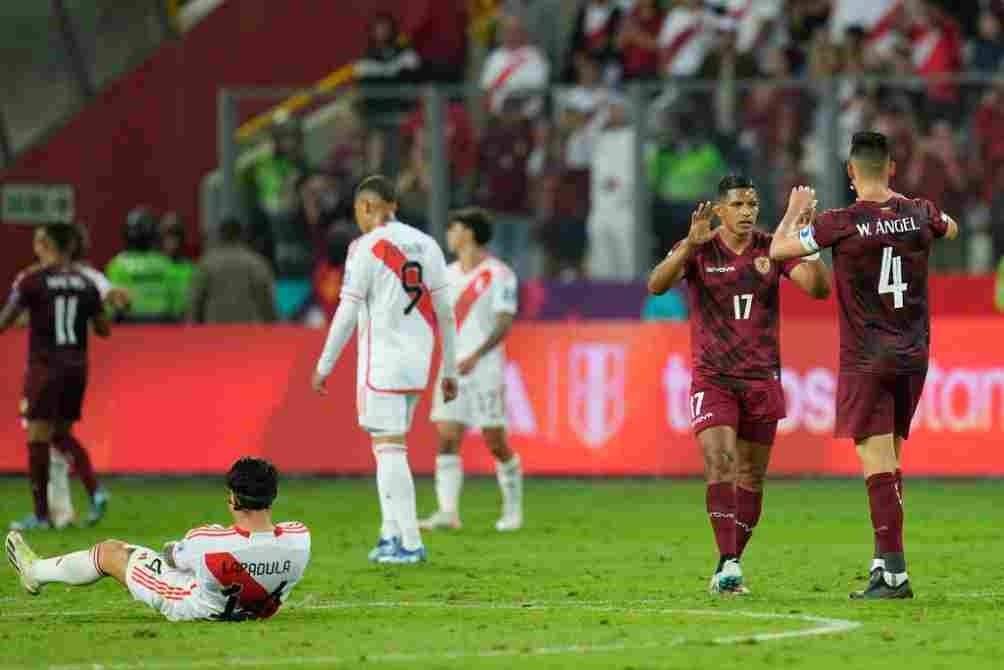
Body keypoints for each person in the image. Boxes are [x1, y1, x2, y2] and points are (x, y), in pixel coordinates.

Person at [769, 131, 960, 599]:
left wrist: (796, 214)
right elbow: (951, 228)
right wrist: (921, 214)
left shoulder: (841, 222)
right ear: (891, 167)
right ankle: (883, 562)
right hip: (915, 354)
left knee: (876, 463)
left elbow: (778, 252)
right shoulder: (921, 211)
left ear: (851, 173)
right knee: (891, 462)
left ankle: (894, 573)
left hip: (867, 356)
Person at [648, 176, 831, 594]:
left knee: (751, 476)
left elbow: (818, 290)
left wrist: (810, 242)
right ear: (719, 209)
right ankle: (730, 561)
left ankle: (725, 564)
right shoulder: (700, 246)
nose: (748, 212)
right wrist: (689, 248)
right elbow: (656, 285)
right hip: (713, 377)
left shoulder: (772, 247)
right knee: (719, 462)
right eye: (738, 204)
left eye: (753, 203)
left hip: (761, 378)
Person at [311, 175, 459, 564]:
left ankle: (410, 542)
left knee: (390, 449)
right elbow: (446, 313)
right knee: (387, 448)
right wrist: (450, 369)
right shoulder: (428, 245)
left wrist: (325, 364)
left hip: (384, 364)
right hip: (418, 362)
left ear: (367, 207)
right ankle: (389, 534)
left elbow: (346, 311)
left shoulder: (366, 247)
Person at [6, 457, 311, 622]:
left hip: (193, 606)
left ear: (232, 499)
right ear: (273, 496)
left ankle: (34, 573)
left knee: (113, 552)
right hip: (254, 610)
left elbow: (171, 557)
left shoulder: (208, 540)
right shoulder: (300, 538)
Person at [0, 223, 111, 530]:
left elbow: (6, 319)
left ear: (45, 244)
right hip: (77, 368)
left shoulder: (32, 281)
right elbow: (104, 330)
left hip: (45, 366)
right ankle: (96, 490)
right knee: (60, 435)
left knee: (37, 437)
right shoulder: (85, 283)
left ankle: (40, 516)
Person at [419, 208, 523, 532]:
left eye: (453, 228)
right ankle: (448, 512)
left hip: (485, 368)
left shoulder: (500, 275)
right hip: (452, 369)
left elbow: (504, 322)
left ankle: (513, 509)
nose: (449, 235)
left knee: (495, 440)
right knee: (448, 437)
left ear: (468, 233)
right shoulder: (446, 275)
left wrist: (477, 355)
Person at [189, 219, 278, 324]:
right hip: (249, 331)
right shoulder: (256, 263)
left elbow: (195, 300)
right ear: (242, 236)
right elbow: (267, 301)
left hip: (215, 331)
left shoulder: (207, 263)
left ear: (220, 236)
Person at [105, 208, 178, 322]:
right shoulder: (165, 263)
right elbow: (176, 305)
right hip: (163, 327)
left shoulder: (117, 265)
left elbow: (111, 308)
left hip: (130, 329)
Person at [160, 213, 195, 321]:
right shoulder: (154, 268)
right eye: (167, 234)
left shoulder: (191, 268)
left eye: (176, 234)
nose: (172, 239)